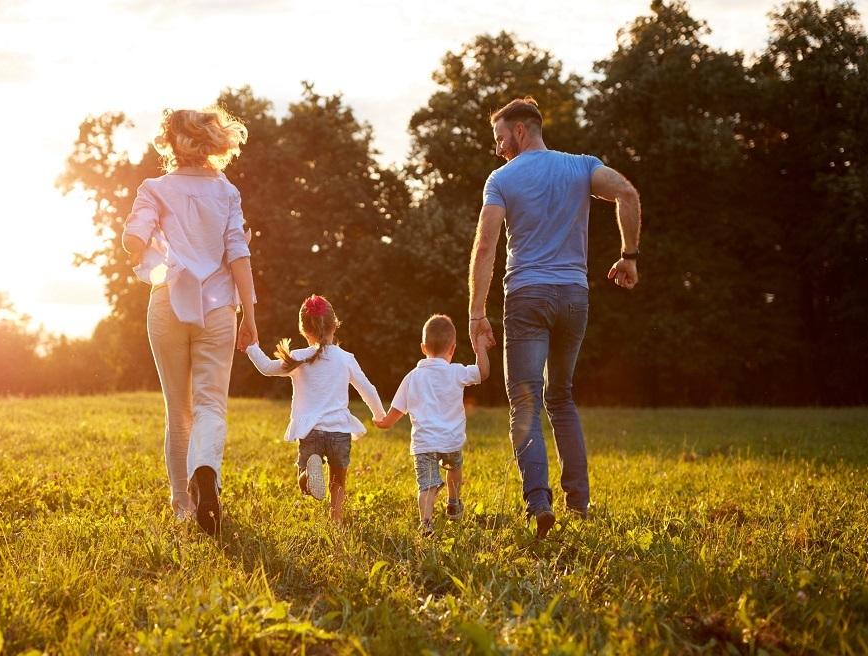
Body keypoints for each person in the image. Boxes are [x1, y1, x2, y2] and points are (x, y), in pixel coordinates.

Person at [468, 96, 641, 538]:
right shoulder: (582, 167)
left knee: (525, 399)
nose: (498, 149)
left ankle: (538, 503)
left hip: (527, 296)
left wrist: (476, 312)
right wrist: (629, 256)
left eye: (500, 138)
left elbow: (486, 246)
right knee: (560, 397)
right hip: (574, 298)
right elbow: (627, 192)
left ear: (520, 130)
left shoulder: (501, 180)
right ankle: (578, 504)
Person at [122, 106, 258, 536]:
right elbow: (238, 253)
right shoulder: (227, 191)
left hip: (169, 304)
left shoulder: (154, 188)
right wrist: (250, 314)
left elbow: (132, 239)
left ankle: (183, 506)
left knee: (177, 412)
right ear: (211, 143)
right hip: (219, 308)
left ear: (169, 142)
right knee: (210, 405)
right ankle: (207, 470)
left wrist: (136, 239)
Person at [244, 295, 386, 522]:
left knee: (305, 480)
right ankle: (335, 519)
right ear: (334, 325)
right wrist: (380, 415)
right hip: (339, 430)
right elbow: (367, 388)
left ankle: (307, 477)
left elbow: (267, 368)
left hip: (311, 431)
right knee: (338, 479)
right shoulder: (345, 358)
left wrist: (251, 347)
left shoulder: (299, 357)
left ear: (304, 330)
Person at [373, 315, 491, 535]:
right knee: (454, 467)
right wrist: (481, 348)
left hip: (424, 443)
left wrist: (385, 423)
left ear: (423, 348)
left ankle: (426, 522)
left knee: (427, 485)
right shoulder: (456, 371)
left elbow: (397, 409)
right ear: (452, 348)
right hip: (451, 440)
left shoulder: (412, 377)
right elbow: (483, 372)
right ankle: (453, 502)